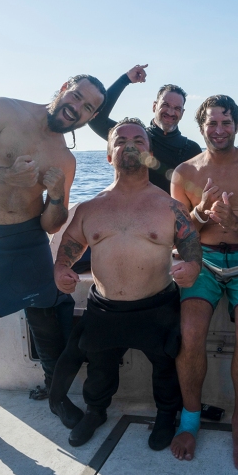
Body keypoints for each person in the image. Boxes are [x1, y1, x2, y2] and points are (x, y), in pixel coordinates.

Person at [0, 73, 107, 461]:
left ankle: (56, 396)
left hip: (30, 243)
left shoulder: (65, 159)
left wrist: (53, 197)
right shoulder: (4, 110)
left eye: (89, 109)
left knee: (51, 315)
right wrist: (5, 175)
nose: (78, 109)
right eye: (78, 97)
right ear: (66, 85)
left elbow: (53, 223)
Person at [51, 119, 203, 449]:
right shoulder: (90, 208)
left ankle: (166, 415)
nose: (130, 145)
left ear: (150, 155)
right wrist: (62, 268)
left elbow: (191, 247)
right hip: (105, 309)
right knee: (100, 368)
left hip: (157, 307)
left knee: (165, 367)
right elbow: (70, 246)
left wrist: (192, 266)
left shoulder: (170, 206)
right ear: (108, 154)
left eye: (139, 140)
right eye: (120, 141)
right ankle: (95, 411)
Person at [170, 95, 238, 471]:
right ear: (201, 128)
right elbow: (180, 238)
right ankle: (190, 420)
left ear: (236, 125)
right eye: (212, 123)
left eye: (226, 122)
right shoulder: (183, 173)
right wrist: (199, 214)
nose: (219, 130)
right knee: (190, 330)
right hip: (204, 259)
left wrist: (237, 224)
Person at [88, 65, 202, 192]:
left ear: (182, 113)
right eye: (165, 105)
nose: (170, 112)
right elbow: (96, 119)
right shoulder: (135, 138)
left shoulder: (192, 150)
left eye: (177, 108)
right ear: (154, 106)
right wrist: (125, 79)